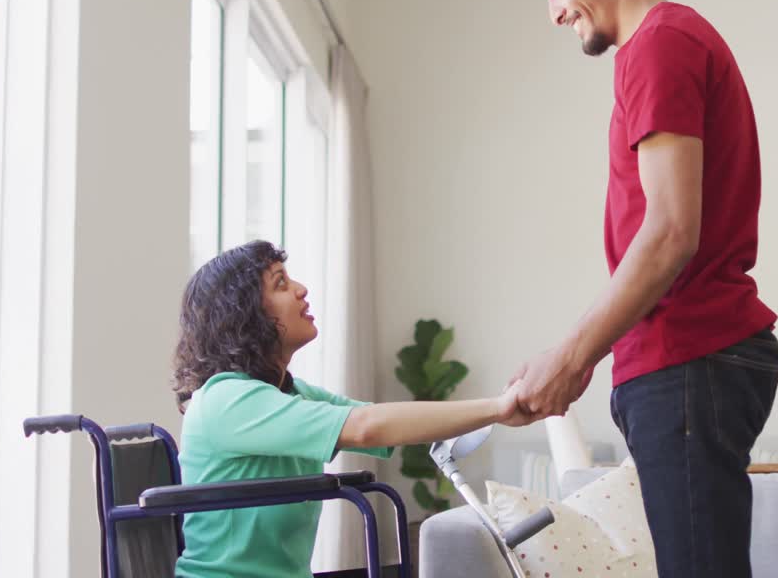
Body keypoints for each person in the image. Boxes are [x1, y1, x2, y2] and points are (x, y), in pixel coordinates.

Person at [510, 0, 778, 577]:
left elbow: (668, 232)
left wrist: (572, 358)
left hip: (689, 355)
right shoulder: (658, 48)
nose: (554, 12)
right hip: (683, 362)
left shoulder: (660, 43)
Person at [172, 240, 531, 578]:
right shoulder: (226, 400)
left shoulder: (289, 394)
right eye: (281, 283)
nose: (301, 289)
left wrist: (498, 409)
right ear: (244, 315)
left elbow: (378, 421)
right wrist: (498, 409)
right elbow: (366, 427)